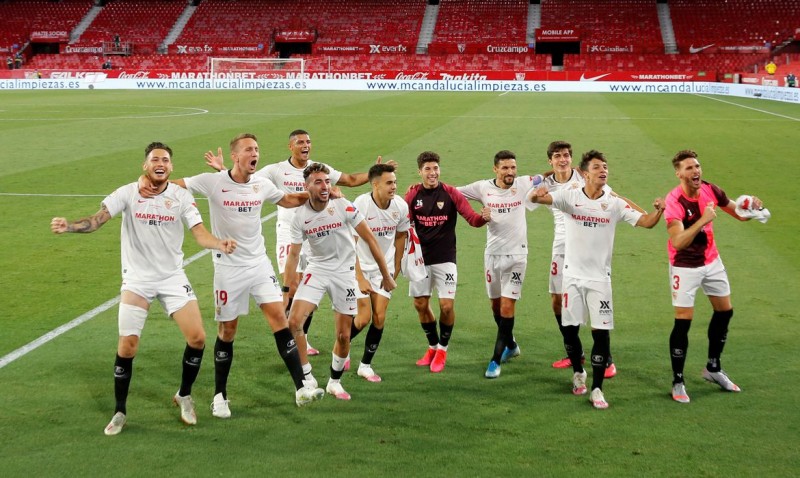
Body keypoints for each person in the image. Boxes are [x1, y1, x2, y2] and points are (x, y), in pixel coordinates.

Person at [50, 142, 237, 436]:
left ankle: (184, 395)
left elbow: (199, 234)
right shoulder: (127, 192)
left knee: (198, 338)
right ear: (145, 166)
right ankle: (120, 411)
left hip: (172, 277)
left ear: (171, 167)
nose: (160, 163)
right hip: (137, 280)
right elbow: (98, 220)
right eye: (154, 160)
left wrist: (220, 243)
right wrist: (70, 227)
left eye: (165, 159)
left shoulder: (181, 196)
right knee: (127, 347)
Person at [139, 133, 324, 416]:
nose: (255, 154)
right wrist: (147, 184)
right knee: (228, 331)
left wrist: (317, 193)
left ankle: (301, 388)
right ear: (236, 156)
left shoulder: (261, 184)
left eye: (257, 149)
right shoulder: (212, 182)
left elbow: (286, 200)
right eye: (249, 150)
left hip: (259, 264)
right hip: (228, 269)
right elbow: (175, 185)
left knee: (280, 320)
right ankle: (220, 396)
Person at [206, 129, 388, 358]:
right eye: (300, 142)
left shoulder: (319, 170)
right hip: (287, 233)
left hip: (313, 233)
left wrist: (375, 173)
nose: (306, 145)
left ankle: (300, 337)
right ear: (290, 146)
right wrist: (223, 170)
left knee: (304, 286)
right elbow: (246, 179)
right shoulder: (276, 169)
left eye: (309, 141)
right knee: (292, 284)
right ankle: (289, 333)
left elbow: (350, 180)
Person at [529, 150, 664, 409]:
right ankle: (578, 372)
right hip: (572, 277)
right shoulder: (569, 197)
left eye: (605, 167)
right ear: (584, 173)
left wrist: (659, 211)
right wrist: (540, 184)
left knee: (601, 334)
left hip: (600, 280)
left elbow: (646, 222)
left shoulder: (614, 203)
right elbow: (541, 198)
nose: (603, 170)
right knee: (570, 330)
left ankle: (598, 388)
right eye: (597, 167)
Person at [285, 163, 397, 400]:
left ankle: (334, 382)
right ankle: (307, 376)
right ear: (306, 187)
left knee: (344, 335)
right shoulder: (300, 217)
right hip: (317, 269)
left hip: (345, 273)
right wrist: (288, 287)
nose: (325, 186)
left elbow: (370, 240)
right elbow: (294, 254)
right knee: (293, 322)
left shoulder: (343, 206)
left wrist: (386, 275)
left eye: (327, 181)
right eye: (318, 182)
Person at [664, 150, 764, 403]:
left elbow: (739, 214)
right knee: (683, 321)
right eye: (689, 168)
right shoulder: (674, 201)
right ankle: (678, 380)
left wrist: (751, 207)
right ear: (678, 173)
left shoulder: (711, 190)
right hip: (685, 266)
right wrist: (703, 219)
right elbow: (678, 241)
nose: (695, 171)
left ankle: (713, 367)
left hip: (712, 261)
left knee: (724, 311)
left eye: (697, 166)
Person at [542, 141, 621, 379]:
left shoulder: (587, 177)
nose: (563, 160)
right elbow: (528, 193)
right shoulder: (546, 182)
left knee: (592, 300)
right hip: (560, 247)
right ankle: (574, 351)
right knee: (558, 301)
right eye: (558, 156)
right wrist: (539, 178)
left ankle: (606, 358)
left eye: (566, 156)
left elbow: (614, 199)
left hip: (587, 247)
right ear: (551, 160)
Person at [405, 151, 490, 373]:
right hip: (420, 260)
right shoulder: (413, 195)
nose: (432, 173)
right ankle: (432, 347)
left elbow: (472, 219)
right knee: (421, 305)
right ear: (420, 172)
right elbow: (403, 222)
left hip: (445, 259)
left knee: (446, 305)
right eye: (427, 169)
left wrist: (483, 218)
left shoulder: (451, 193)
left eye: (435, 168)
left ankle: (442, 349)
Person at [458, 150, 539, 378]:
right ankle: (511, 345)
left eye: (513, 167)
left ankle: (495, 360)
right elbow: (452, 193)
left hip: (517, 257)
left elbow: (547, 176)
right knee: (495, 307)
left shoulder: (524, 184)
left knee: (506, 307)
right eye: (505, 168)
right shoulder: (482, 188)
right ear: (495, 169)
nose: (510, 172)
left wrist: (568, 170)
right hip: (492, 255)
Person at [349, 163, 409, 382]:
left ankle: (365, 365)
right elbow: (350, 243)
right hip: (360, 267)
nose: (394, 186)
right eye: (389, 183)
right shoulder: (361, 205)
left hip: (384, 271)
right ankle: (342, 346)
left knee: (380, 316)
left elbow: (401, 236)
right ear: (375, 184)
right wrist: (359, 276)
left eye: (394, 182)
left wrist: (396, 267)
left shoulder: (400, 206)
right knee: (363, 318)